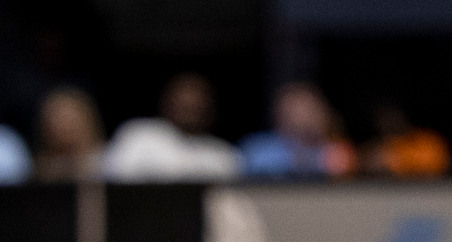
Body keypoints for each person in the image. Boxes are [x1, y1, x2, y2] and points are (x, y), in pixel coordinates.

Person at [103, 72, 242, 182]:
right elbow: (112, 185)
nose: (191, 105)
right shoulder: (138, 135)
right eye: (184, 104)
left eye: (197, 103)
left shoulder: (224, 155)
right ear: (167, 103)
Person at [240, 82, 356, 179]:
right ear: (280, 116)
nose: (305, 119)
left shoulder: (337, 153)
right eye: (296, 111)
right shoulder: (257, 151)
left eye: (311, 111)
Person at [33, 86, 103, 181]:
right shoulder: (34, 171)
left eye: (71, 120)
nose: (65, 127)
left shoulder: (109, 164)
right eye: (59, 119)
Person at [365, 101, 450, 178]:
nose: (388, 122)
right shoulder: (380, 145)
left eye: (392, 116)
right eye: (383, 118)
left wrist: (397, 162)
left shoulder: (426, 140)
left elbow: (435, 164)